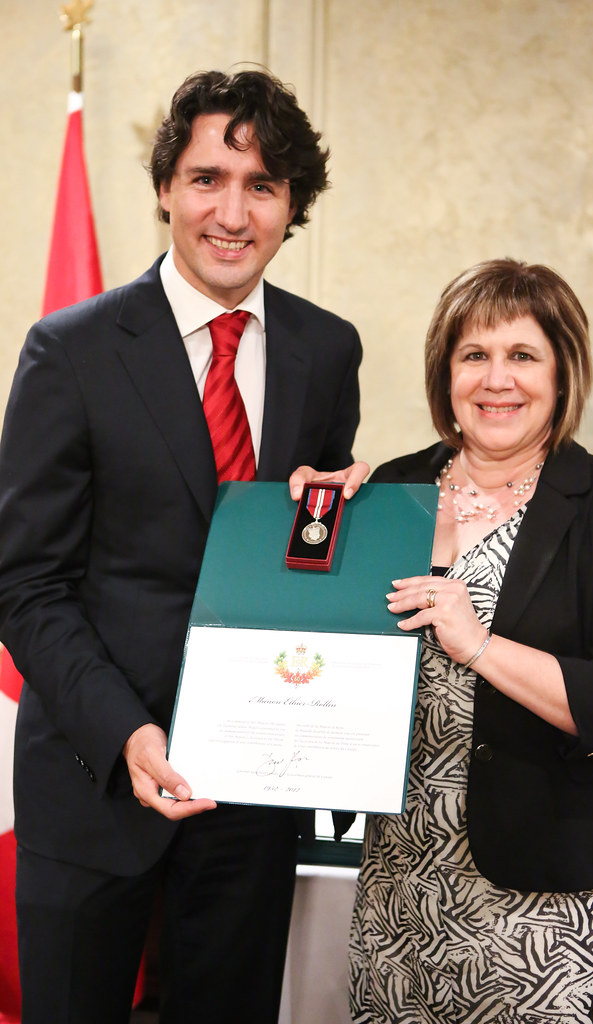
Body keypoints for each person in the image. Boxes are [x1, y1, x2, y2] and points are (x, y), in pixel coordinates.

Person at [0, 69, 366, 1024]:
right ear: (165, 186)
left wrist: (349, 523)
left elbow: (313, 556)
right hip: (91, 782)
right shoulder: (69, 349)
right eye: (207, 178)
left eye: (263, 185)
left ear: (294, 206)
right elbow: (26, 584)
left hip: (255, 797)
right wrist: (127, 732)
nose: (232, 212)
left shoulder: (327, 351)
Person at [349, 258, 593, 1022]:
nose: (496, 379)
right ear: (445, 374)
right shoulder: (388, 492)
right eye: (474, 355)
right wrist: (305, 526)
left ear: (561, 374)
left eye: (522, 355)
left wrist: (479, 646)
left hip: (552, 916)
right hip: (402, 892)